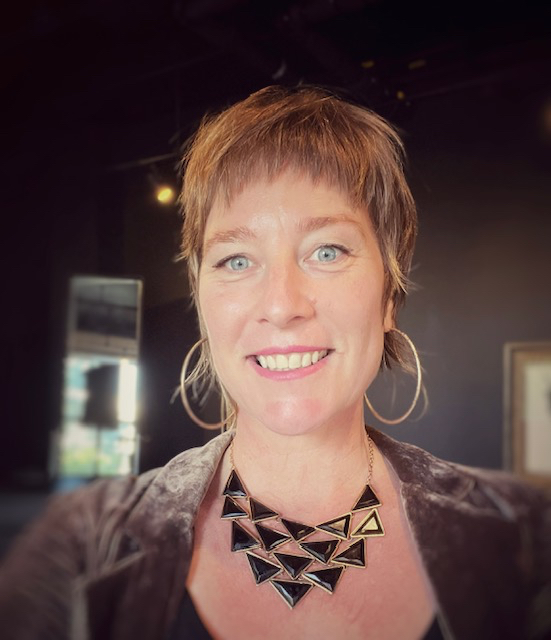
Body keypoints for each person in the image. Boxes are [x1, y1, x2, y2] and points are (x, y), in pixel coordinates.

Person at [0, 86, 549, 640]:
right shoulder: (84, 543)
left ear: (389, 295)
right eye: (237, 260)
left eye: (327, 251)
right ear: (203, 303)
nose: (282, 305)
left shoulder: (524, 536)